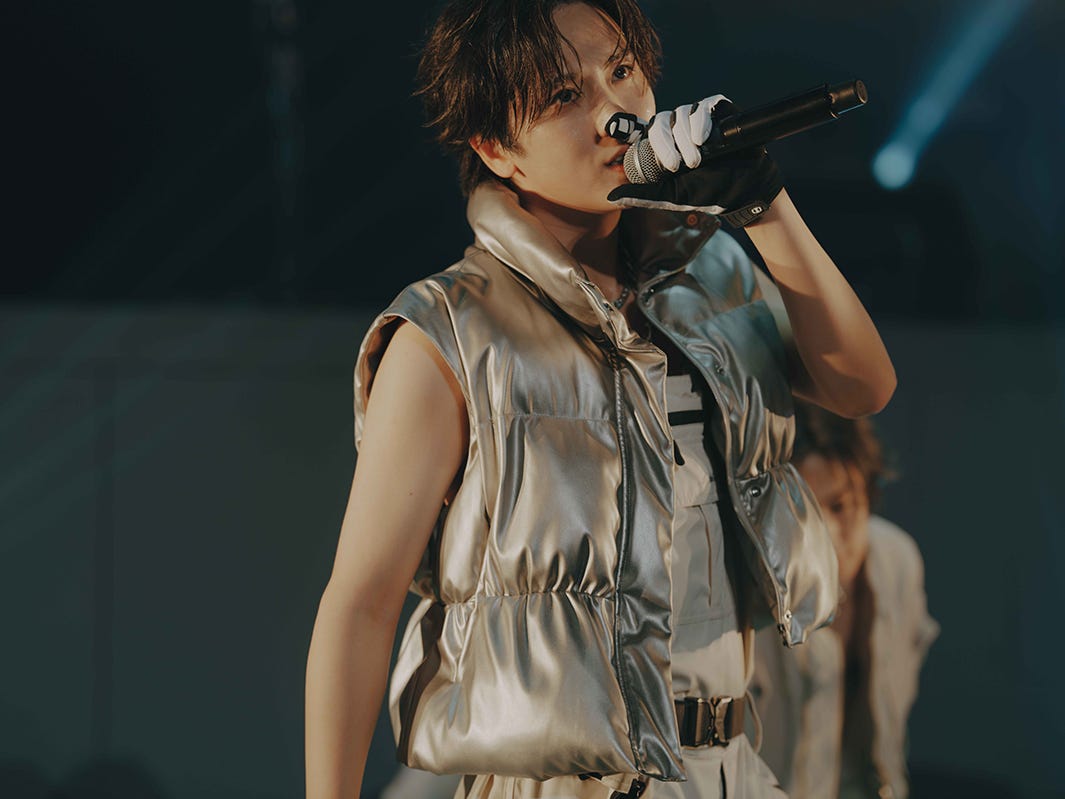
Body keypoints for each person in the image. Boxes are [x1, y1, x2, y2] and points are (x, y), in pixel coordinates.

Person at [304, 1, 897, 797]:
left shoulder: (709, 272)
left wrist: (762, 203)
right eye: (562, 96)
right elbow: (361, 603)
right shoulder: (448, 329)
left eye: (621, 71)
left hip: (730, 767)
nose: (616, 114)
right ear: (495, 148)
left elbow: (862, 385)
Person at [749, 403, 938, 799]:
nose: (830, 534)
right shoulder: (757, 587)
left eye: (840, 506)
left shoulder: (897, 563)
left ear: (867, 493)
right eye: (806, 513)